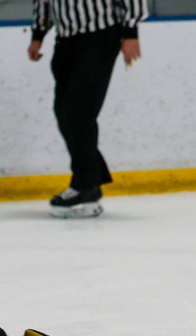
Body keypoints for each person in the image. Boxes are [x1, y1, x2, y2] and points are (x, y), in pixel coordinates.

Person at [28, 0, 146, 218]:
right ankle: (91, 177)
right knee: (64, 112)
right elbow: (42, 3)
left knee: (78, 111)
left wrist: (130, 32)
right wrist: (38, 35)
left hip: (99, 36)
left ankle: (85, 185)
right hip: (65, 40)